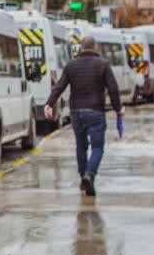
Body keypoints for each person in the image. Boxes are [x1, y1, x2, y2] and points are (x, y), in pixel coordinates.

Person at [44, 35, 123, 196]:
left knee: (81, 146)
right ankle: (90, 174)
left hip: (76, 112)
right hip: (95, 111)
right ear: (95, 48)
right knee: (98, 147)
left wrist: (49, 103)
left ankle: (84, 178)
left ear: (80, 48)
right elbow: (113, 89)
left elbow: (59, 87)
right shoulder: (103, 65)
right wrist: (118, 109)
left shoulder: (71, 66)